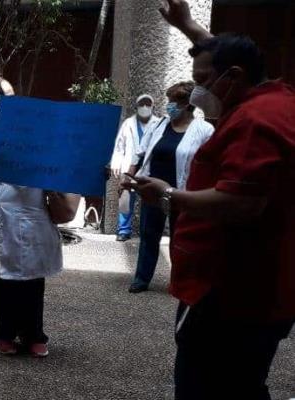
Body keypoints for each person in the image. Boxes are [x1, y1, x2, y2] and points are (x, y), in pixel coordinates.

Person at [123, 1, 295, 397]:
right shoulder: (272, 95)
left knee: (209, 382)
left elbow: (241, 203)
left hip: (230, 291)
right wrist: (188, 27)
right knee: (243, 381)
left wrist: (167, 195)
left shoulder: (255, 121)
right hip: (253, 288)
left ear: (233, 78)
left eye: (203, 79)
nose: (197, 89)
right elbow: (226, 55)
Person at [0, 139, 80, 357]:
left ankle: (34, 335)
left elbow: (64, 178)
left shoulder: (43, 150)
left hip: (29, 224)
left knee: (32, 283)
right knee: (0, 284)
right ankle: (5, 333)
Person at [125, 82, 214, 293]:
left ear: (188, 105)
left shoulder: (204, 129)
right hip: (152, 190)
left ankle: (179, 280)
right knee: (148, 235)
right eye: (169, 100)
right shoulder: (159, 125)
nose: (170, 105)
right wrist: (129, 178)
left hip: (181, 193)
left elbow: (210, 161)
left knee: (179, 237)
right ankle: (141, 278)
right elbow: (141, 152)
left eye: (174, 101)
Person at [110, 94, 163, 241]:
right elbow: (120, 146)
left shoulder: (158, 124)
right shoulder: (128, 123)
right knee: (126, 197)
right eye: (142, 104)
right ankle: (123, 230)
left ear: (153, 107)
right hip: (129, 166)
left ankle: (147, 230)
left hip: (148, 168)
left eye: (148, 104)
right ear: (136, 106)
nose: (145, 107)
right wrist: (116, 162)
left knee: (149, 199)